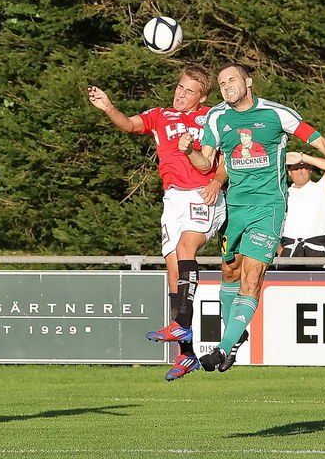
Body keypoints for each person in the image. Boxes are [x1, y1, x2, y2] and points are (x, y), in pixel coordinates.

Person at [179, 63, 325, 372]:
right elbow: (205, 164)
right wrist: (189, 151)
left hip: (268, 207)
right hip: (235, 207)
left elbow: (319, 141)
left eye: (232, 80)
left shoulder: (277, 114)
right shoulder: (216, 117)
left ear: (248, 82)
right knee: (230, 271)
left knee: (252, 277)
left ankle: (223, 348)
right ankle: (235, 335)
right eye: (222, 83)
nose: (226, 86)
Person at [88, 66, 227, 380]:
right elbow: (129, 124)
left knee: (186, 248)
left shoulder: (213, 117)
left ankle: (180, 326)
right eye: (180, 87)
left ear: (202, 97)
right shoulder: (160, 115)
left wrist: (217, 182)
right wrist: (109, 107)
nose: (181, 94)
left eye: (189, 91)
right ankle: (187, 355)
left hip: (202, 193)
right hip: (173, 198)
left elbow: (227, 160)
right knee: (174, 272)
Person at [279, 151, 325, 260]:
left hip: (318, 251)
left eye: (303, 167)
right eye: (295, 168)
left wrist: (302, 157)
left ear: (310, 169)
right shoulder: (282, 194)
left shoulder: (321, 188)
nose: (300, 171)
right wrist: (280, 250)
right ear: (289, 172)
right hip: (289, 252)